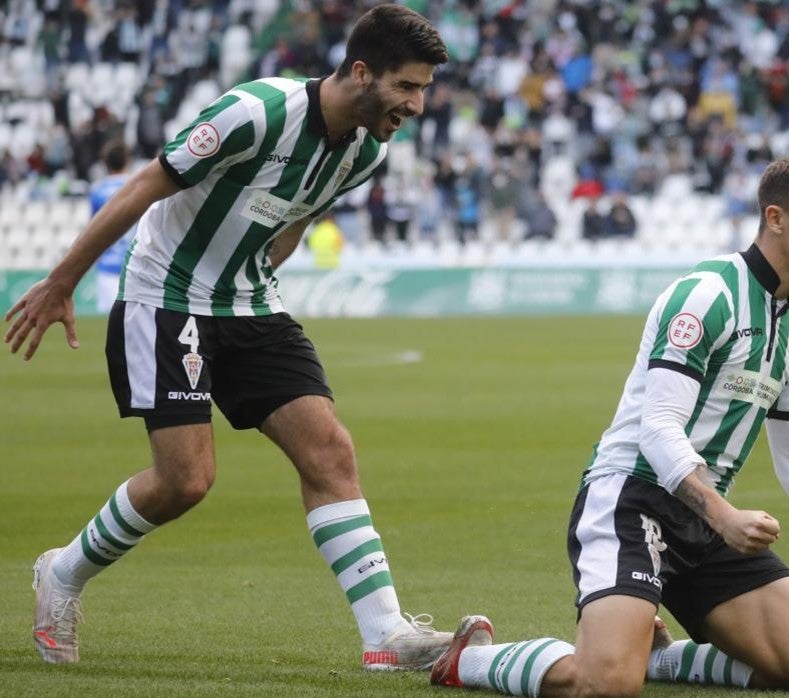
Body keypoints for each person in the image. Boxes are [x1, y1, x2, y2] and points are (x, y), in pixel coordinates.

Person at [6, 5, 463, 670]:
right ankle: (62, 572)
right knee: (185, 481)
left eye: (423, 89)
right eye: (407, 86)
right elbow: (145, 185)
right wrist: (60, 283)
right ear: (361, 72)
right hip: (164, 295)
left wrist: (252, 288)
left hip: (249, 305)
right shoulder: (256, 111)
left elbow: (297, 216)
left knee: (330, 450)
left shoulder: (366, 150)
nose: (418, 105)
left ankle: (385, 635)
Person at [429, 157, 789, 696]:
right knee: (606, 683)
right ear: (776, 218)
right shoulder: (707, 294)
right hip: (632, 499)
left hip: (705, 520)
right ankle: (472, 661)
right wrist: (725, 515)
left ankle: (659, 657)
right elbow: (658, 428)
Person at [90, 140, 136, 314]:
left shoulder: (97, 190)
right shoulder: (138, 186)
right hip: (134, 265)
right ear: (127, 160)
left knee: (107, 325)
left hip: (107, 265)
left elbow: (92, 230)